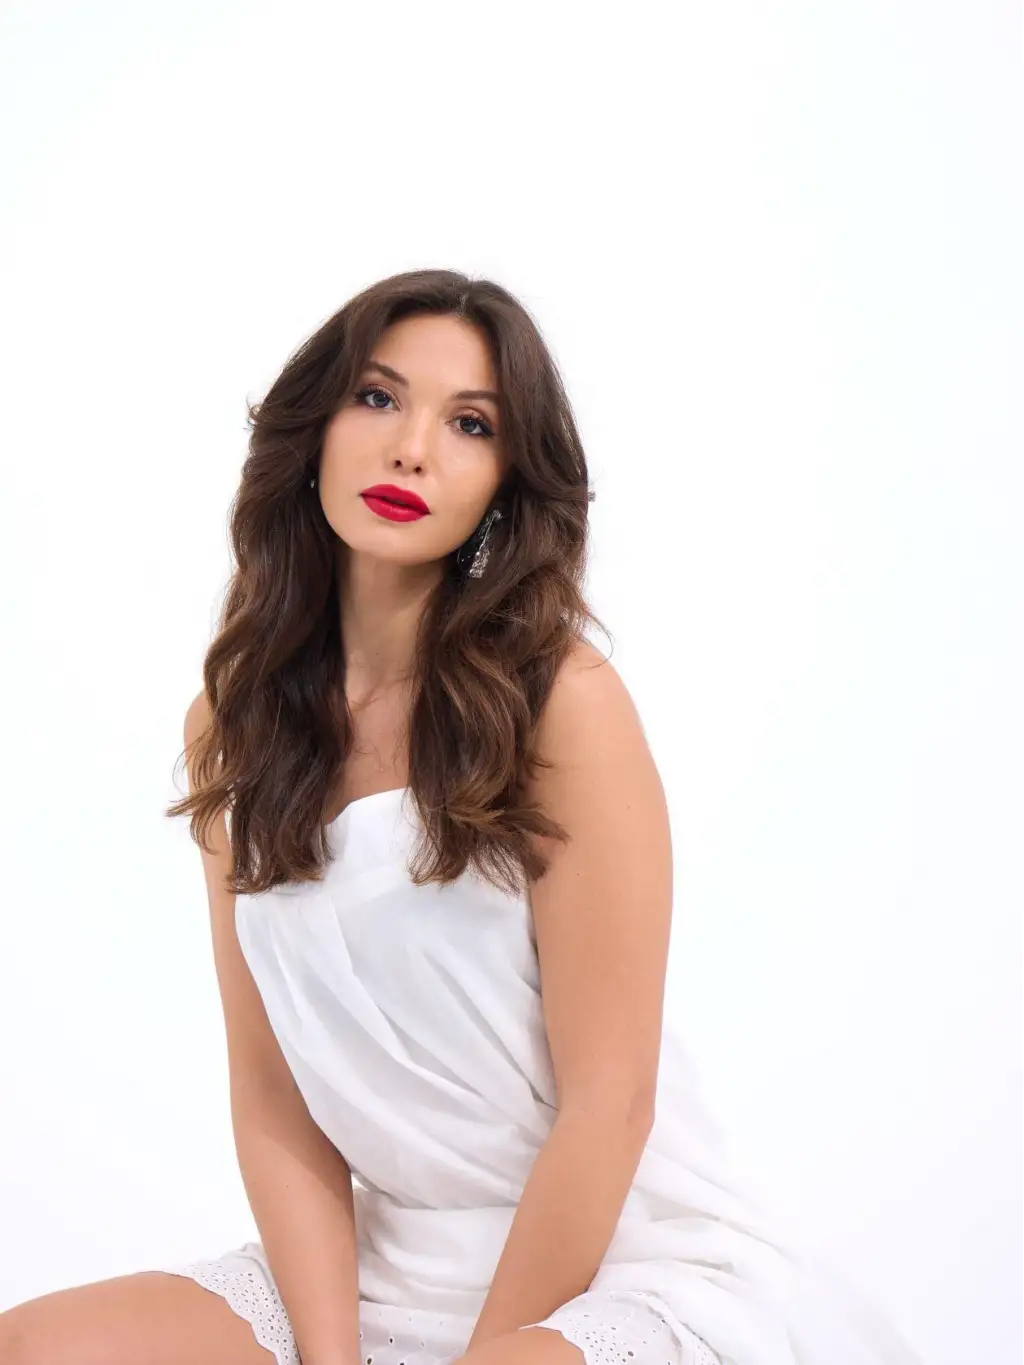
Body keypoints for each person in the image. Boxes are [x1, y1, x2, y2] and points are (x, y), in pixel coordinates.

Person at [0, 270, 924, 1365]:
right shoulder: (233, 722)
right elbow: (272, 1096)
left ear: (505, 482)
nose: (411, 450)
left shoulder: (561, 704)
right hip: (384, 1259)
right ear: (314, 426)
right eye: (378, 397)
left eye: (469, 424)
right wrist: (330, 1357)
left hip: (614, 1257)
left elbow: (610, 1103)